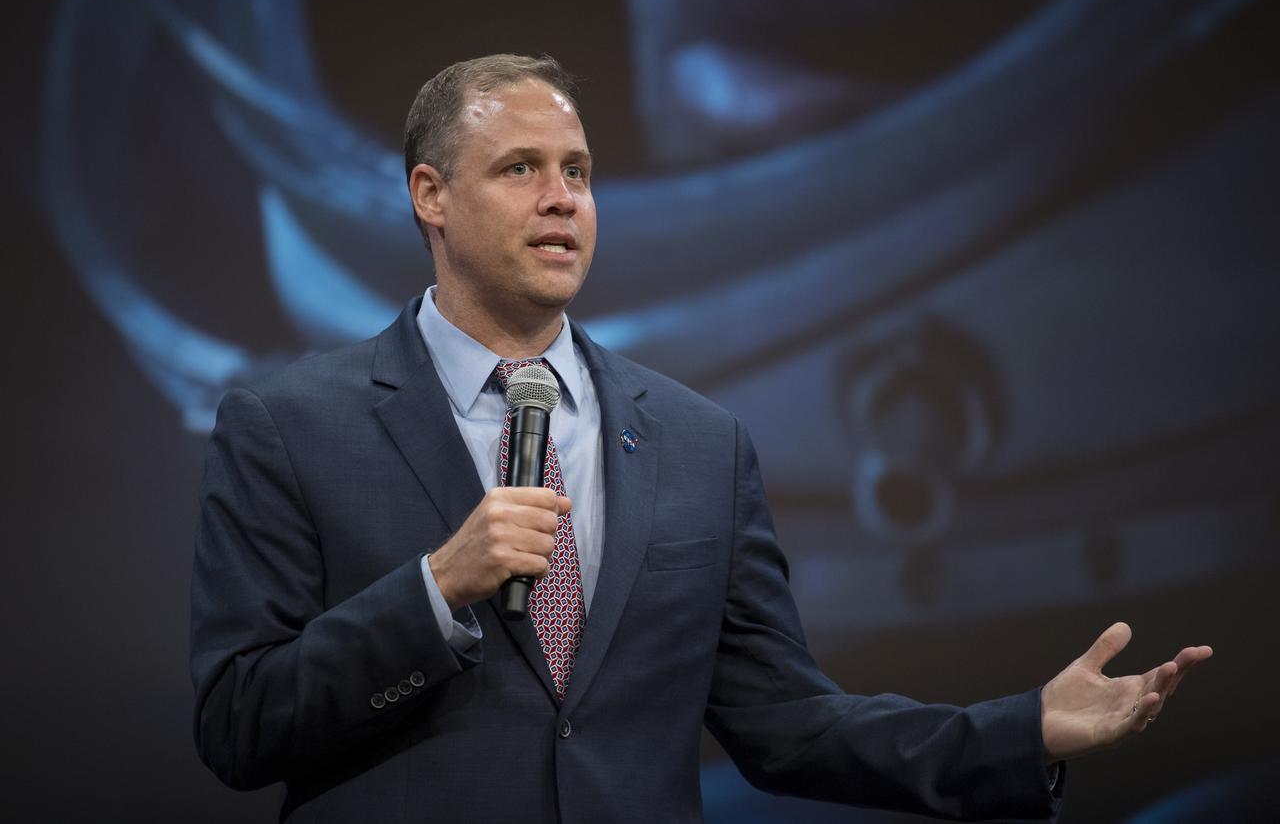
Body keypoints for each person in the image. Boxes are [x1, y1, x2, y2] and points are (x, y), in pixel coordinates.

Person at [190, 54, 1212, 823]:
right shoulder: (287, 427)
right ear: (430, 198)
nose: (562, 197)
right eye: (519, 168)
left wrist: (1019, 728)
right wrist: (432, 591)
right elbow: (238, 724)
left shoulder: (697, 442)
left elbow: (785, 725)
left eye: (578, 171)